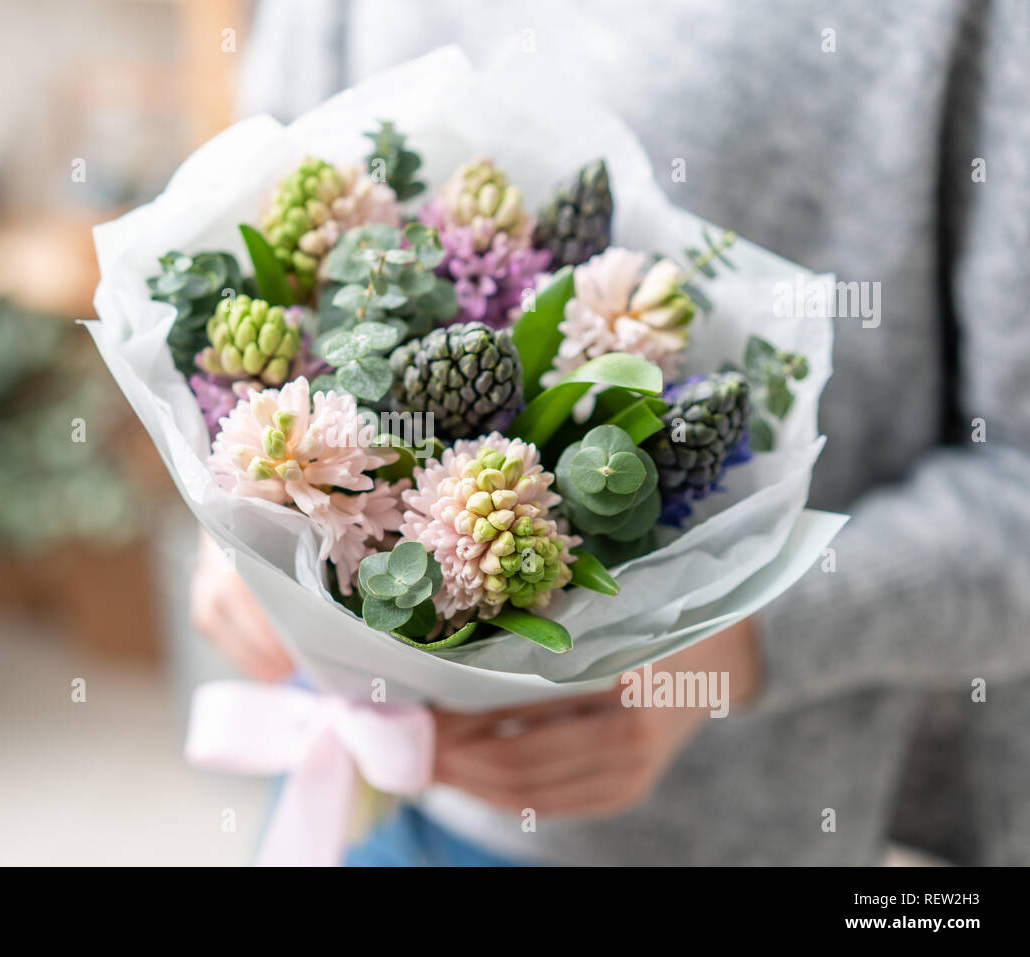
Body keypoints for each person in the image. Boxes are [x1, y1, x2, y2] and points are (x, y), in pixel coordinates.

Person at [190, 0, 1030, 865]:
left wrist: (727, 652)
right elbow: (260, 211)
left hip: (696, 829)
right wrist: (249, 491)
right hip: (334, 765)